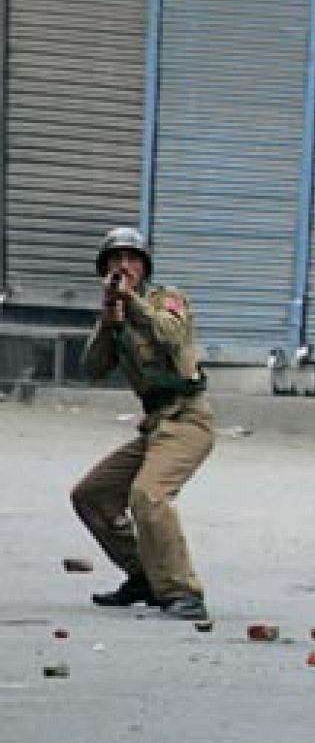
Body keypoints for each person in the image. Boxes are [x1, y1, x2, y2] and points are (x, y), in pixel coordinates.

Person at [71, 227, 213, 621]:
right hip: (155, 425)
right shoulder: (116, 314)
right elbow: (93, 368)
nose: (124, 267)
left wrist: (131, 302)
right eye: (115, 260)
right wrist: (108, 321)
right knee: (92, 495)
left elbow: (171, 335)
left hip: (187, 419)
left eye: (131, 259)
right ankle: (144, 576)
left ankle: (183, 591)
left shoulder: (165, 300)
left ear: (145, 267)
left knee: (148, 496)